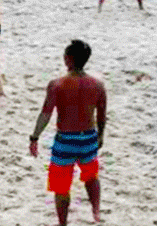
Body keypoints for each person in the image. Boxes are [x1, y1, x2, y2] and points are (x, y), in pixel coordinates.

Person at [29, 40, 107, 226]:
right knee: (91, 177)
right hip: (88, 138)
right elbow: (102, 115)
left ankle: (62, 223)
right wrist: (101, 136)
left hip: (65, 141)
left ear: (68, 59)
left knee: (61, 187)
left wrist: (34, 137)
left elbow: (46, 114)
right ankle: (96, 211)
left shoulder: (57, 84)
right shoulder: (98, 85)